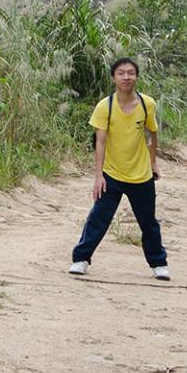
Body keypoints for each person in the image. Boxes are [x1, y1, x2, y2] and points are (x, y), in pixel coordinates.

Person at [69, 57, 169, 281]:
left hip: (141, 174)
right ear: (114, 77)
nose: (126, 77)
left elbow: (152, 134)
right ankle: (81, 259)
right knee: (98, 218)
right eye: (121, 73)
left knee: (148, 221)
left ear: (136, 76)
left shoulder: (147, 104)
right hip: (112, 174)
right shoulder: (106, 106)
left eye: (131, 73)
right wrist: (98, 176)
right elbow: (100, 142)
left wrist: (153, 163)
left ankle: (159, 263)